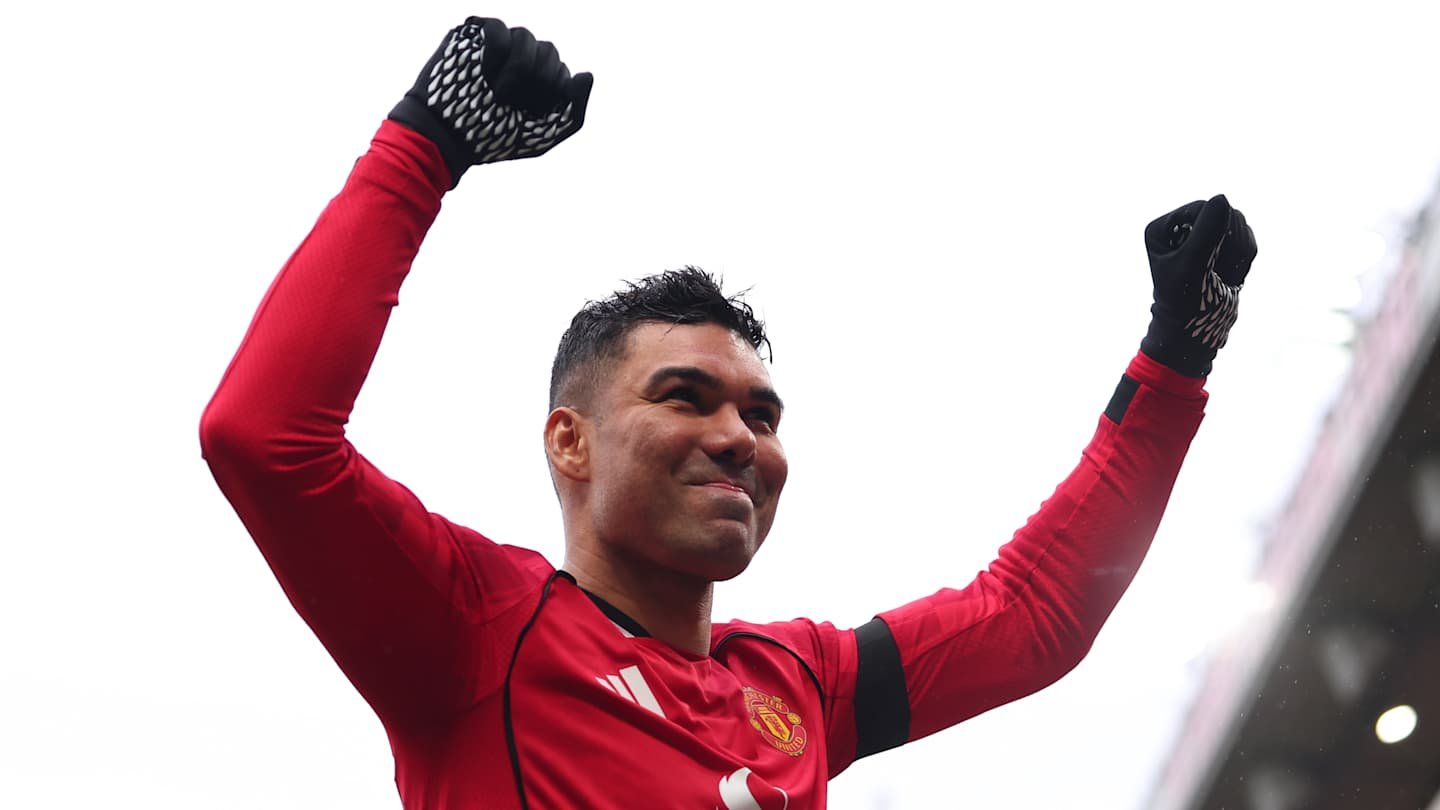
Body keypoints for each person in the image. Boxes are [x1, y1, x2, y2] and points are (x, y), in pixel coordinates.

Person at [200, 15, 1257, 810]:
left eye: (762, 413)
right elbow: (264, 436)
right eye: (684, 397)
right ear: (569, 439)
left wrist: (1174, 363)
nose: (738, 438)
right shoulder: (477, 632)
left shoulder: (797, 685)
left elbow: (1032, 619)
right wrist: (423, 150)